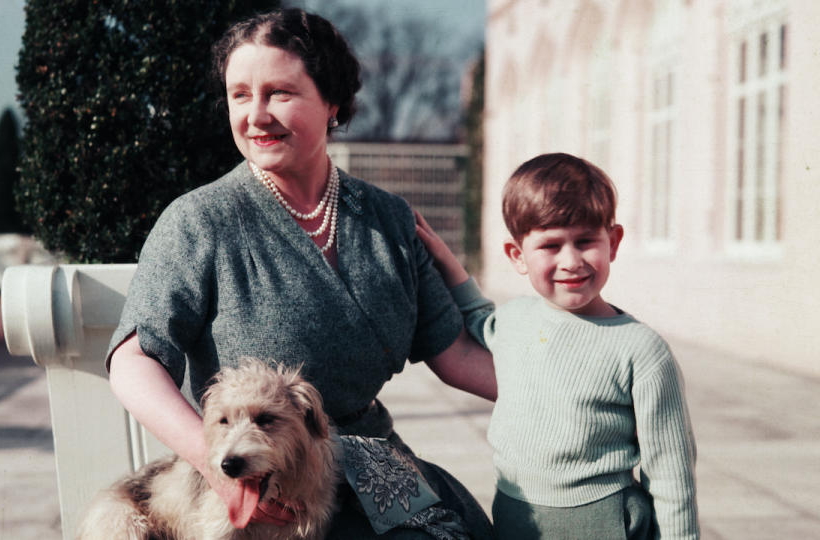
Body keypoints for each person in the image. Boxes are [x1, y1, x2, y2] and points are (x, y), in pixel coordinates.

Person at [106, 8, 495, 539]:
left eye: (279, 93)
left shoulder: (388, 220)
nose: (256, 115)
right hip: (255, 481)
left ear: (332, 102)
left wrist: (582, 387)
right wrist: (215, 463)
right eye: (240, 95)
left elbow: (458, 357)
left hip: (373, 468)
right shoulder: (200, 221)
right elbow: (134, 360)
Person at [415, 152, 699, 539]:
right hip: (518, 516)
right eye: (551, 246)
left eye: (585, 241)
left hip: (605, 524)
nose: (571, 261)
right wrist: (448, 262)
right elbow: (478, 317)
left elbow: (671, 473)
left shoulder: (642, 351)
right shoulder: (516, 320)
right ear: (518, 256)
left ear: (612, 242)